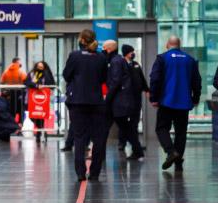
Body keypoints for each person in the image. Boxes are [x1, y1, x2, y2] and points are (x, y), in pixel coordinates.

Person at [62, 29, 109, 181]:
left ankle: (80, 172)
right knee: (99, 138)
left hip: (77, 102)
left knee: (80, 137)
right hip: (96, 102)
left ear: (82, 40)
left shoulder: (74, 56)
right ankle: (95, 172)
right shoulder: (101, 57)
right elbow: (103, 78)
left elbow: (66, 75)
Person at [150, 36, 202, 172]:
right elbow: (197, 82)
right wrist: (195, 98)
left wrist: (154, 97)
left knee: (161, 128)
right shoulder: (190, 60)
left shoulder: (162, 58)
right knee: (181, 132)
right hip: (184, 102)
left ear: (168, 44)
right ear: (179, 45)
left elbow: (155, 79)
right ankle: (178, 160)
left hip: (166, 101)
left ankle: (171, 152)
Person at [108, 45, 147, 160]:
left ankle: (136, 149)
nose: (133, 54)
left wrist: (147, 90)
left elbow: (141, 79)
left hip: (128, 100)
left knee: (128, 126)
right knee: (125, 126)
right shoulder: (122, 63)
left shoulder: (134, 65)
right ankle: (132, 147)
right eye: (131, 52)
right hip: (125, 100)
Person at [24, 61, 56, 144]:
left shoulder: (47, 74)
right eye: (38, 67)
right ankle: (41, 130)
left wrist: (44, 86)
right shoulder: (32, 74)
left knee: (41, 116)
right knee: (33, 115)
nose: (40, 69)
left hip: (43, 99)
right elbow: (26, 82)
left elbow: (52, 84)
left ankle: (39, 132)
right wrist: (36, 86)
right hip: (32, 99)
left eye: (42, 67)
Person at [0, 57, 27, 132]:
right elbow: (26, 80)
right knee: (21, 112)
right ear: (17, 62)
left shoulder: (6, 71)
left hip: (10, 94)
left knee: (12, 112)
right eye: (20, 62)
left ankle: (12, 128)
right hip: (19, 94)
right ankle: (20, 127)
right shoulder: (20, 71)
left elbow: (2, 81)